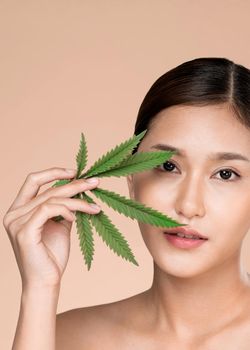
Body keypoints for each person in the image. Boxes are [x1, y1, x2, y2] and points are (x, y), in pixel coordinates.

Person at [4, 57, 250, 349]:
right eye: (168, 166)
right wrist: (39, 289)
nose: (189, 205)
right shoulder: (62, 337)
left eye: (225, 174)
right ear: (131, 178)